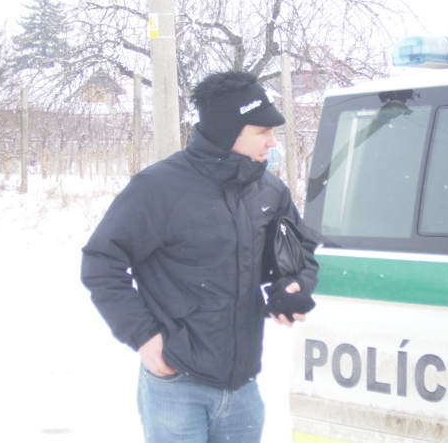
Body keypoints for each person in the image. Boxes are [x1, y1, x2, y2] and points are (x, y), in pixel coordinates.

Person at [80, 70, 319, 443]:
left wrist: (292, 286)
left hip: (242, 388)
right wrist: (143, 335)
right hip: (176, 383)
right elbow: (101, 262)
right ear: (226, 131)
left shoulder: (269, 190)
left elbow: (295, 251)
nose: (273, 141)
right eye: (262, 131)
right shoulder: (159, 188)